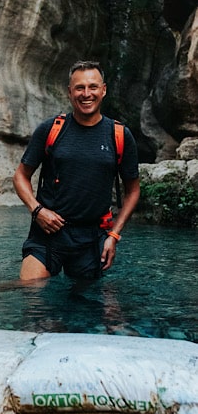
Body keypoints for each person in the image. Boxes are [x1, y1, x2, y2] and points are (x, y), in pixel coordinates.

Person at [13, 60, 140, 281]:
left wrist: (114, 235)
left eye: (93, 87)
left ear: (104, 90)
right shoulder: (51, 129)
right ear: (70, 92)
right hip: (47, 232)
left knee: (85, 308)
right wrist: (37, 210)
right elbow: (20, 176)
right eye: (79, 88)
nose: (86, 94)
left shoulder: (119, 135)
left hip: (91, 238)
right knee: (30, 297)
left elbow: (133, 191)